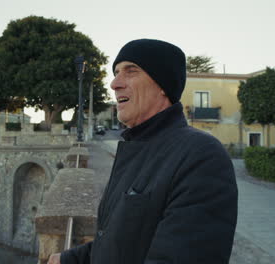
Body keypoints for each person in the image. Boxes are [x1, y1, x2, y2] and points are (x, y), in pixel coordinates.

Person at [48, 39, 238, 264]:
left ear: (163, 85)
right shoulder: (133, 149)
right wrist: (70, 259)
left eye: (131, 71)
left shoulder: (202, 155)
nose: (115, 83)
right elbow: (118, 243)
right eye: (116, 72)